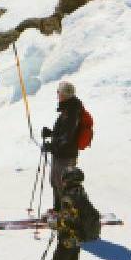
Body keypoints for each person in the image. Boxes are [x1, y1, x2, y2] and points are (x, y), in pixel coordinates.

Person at [42, 166, 98, 260]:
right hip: (79, 238)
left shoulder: (69, 197)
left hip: (68, 239)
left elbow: (67, 221)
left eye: (64, 179)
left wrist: (52, 222)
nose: (63, 182)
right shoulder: (80, 192)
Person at [41, 80, 82, 213]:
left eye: (59, 92)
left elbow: (67, 138)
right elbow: (64, 133)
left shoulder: (72, 112)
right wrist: (51, 133)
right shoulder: (67, 110)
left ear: (64, 95)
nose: (57, 94)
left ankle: (67, 213)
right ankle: (58, 210)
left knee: (63, 184)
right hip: (60, 154)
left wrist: (51, 146)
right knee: (55, 181)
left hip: (66, 156)